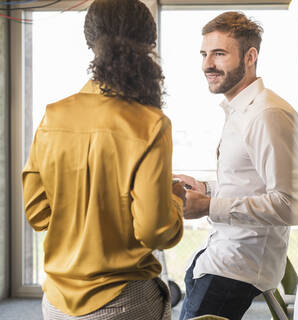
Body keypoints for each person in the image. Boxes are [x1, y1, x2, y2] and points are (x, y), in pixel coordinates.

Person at [21, 0, 184, 319]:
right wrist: (175, 201)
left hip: (55, 304)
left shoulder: (53, 117)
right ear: (150, 47)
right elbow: (155, 230)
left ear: (90, 44)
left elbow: (38, 214)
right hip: (124, 301)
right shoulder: (151, 124)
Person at [176, 11, 298, 320]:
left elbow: (290, 206)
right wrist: (205, 189)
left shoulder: (267, 114)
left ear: (250, 57)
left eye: (219, 54)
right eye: (205, 54)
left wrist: (209, 206)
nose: (208, 64)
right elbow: (252, 184)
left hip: (235, 269)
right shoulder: (240, 111)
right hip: (217, 257)